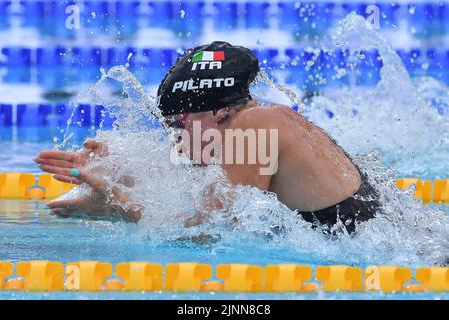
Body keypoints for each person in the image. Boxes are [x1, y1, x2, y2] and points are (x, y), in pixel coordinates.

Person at [34, 41, 381, 235]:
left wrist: (119, 209)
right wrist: (119, 169)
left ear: (217, 112)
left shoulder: (255, 125)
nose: (176, 143)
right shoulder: (262, 122)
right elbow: (203, 194)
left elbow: (214, 234)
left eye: (178, 127)